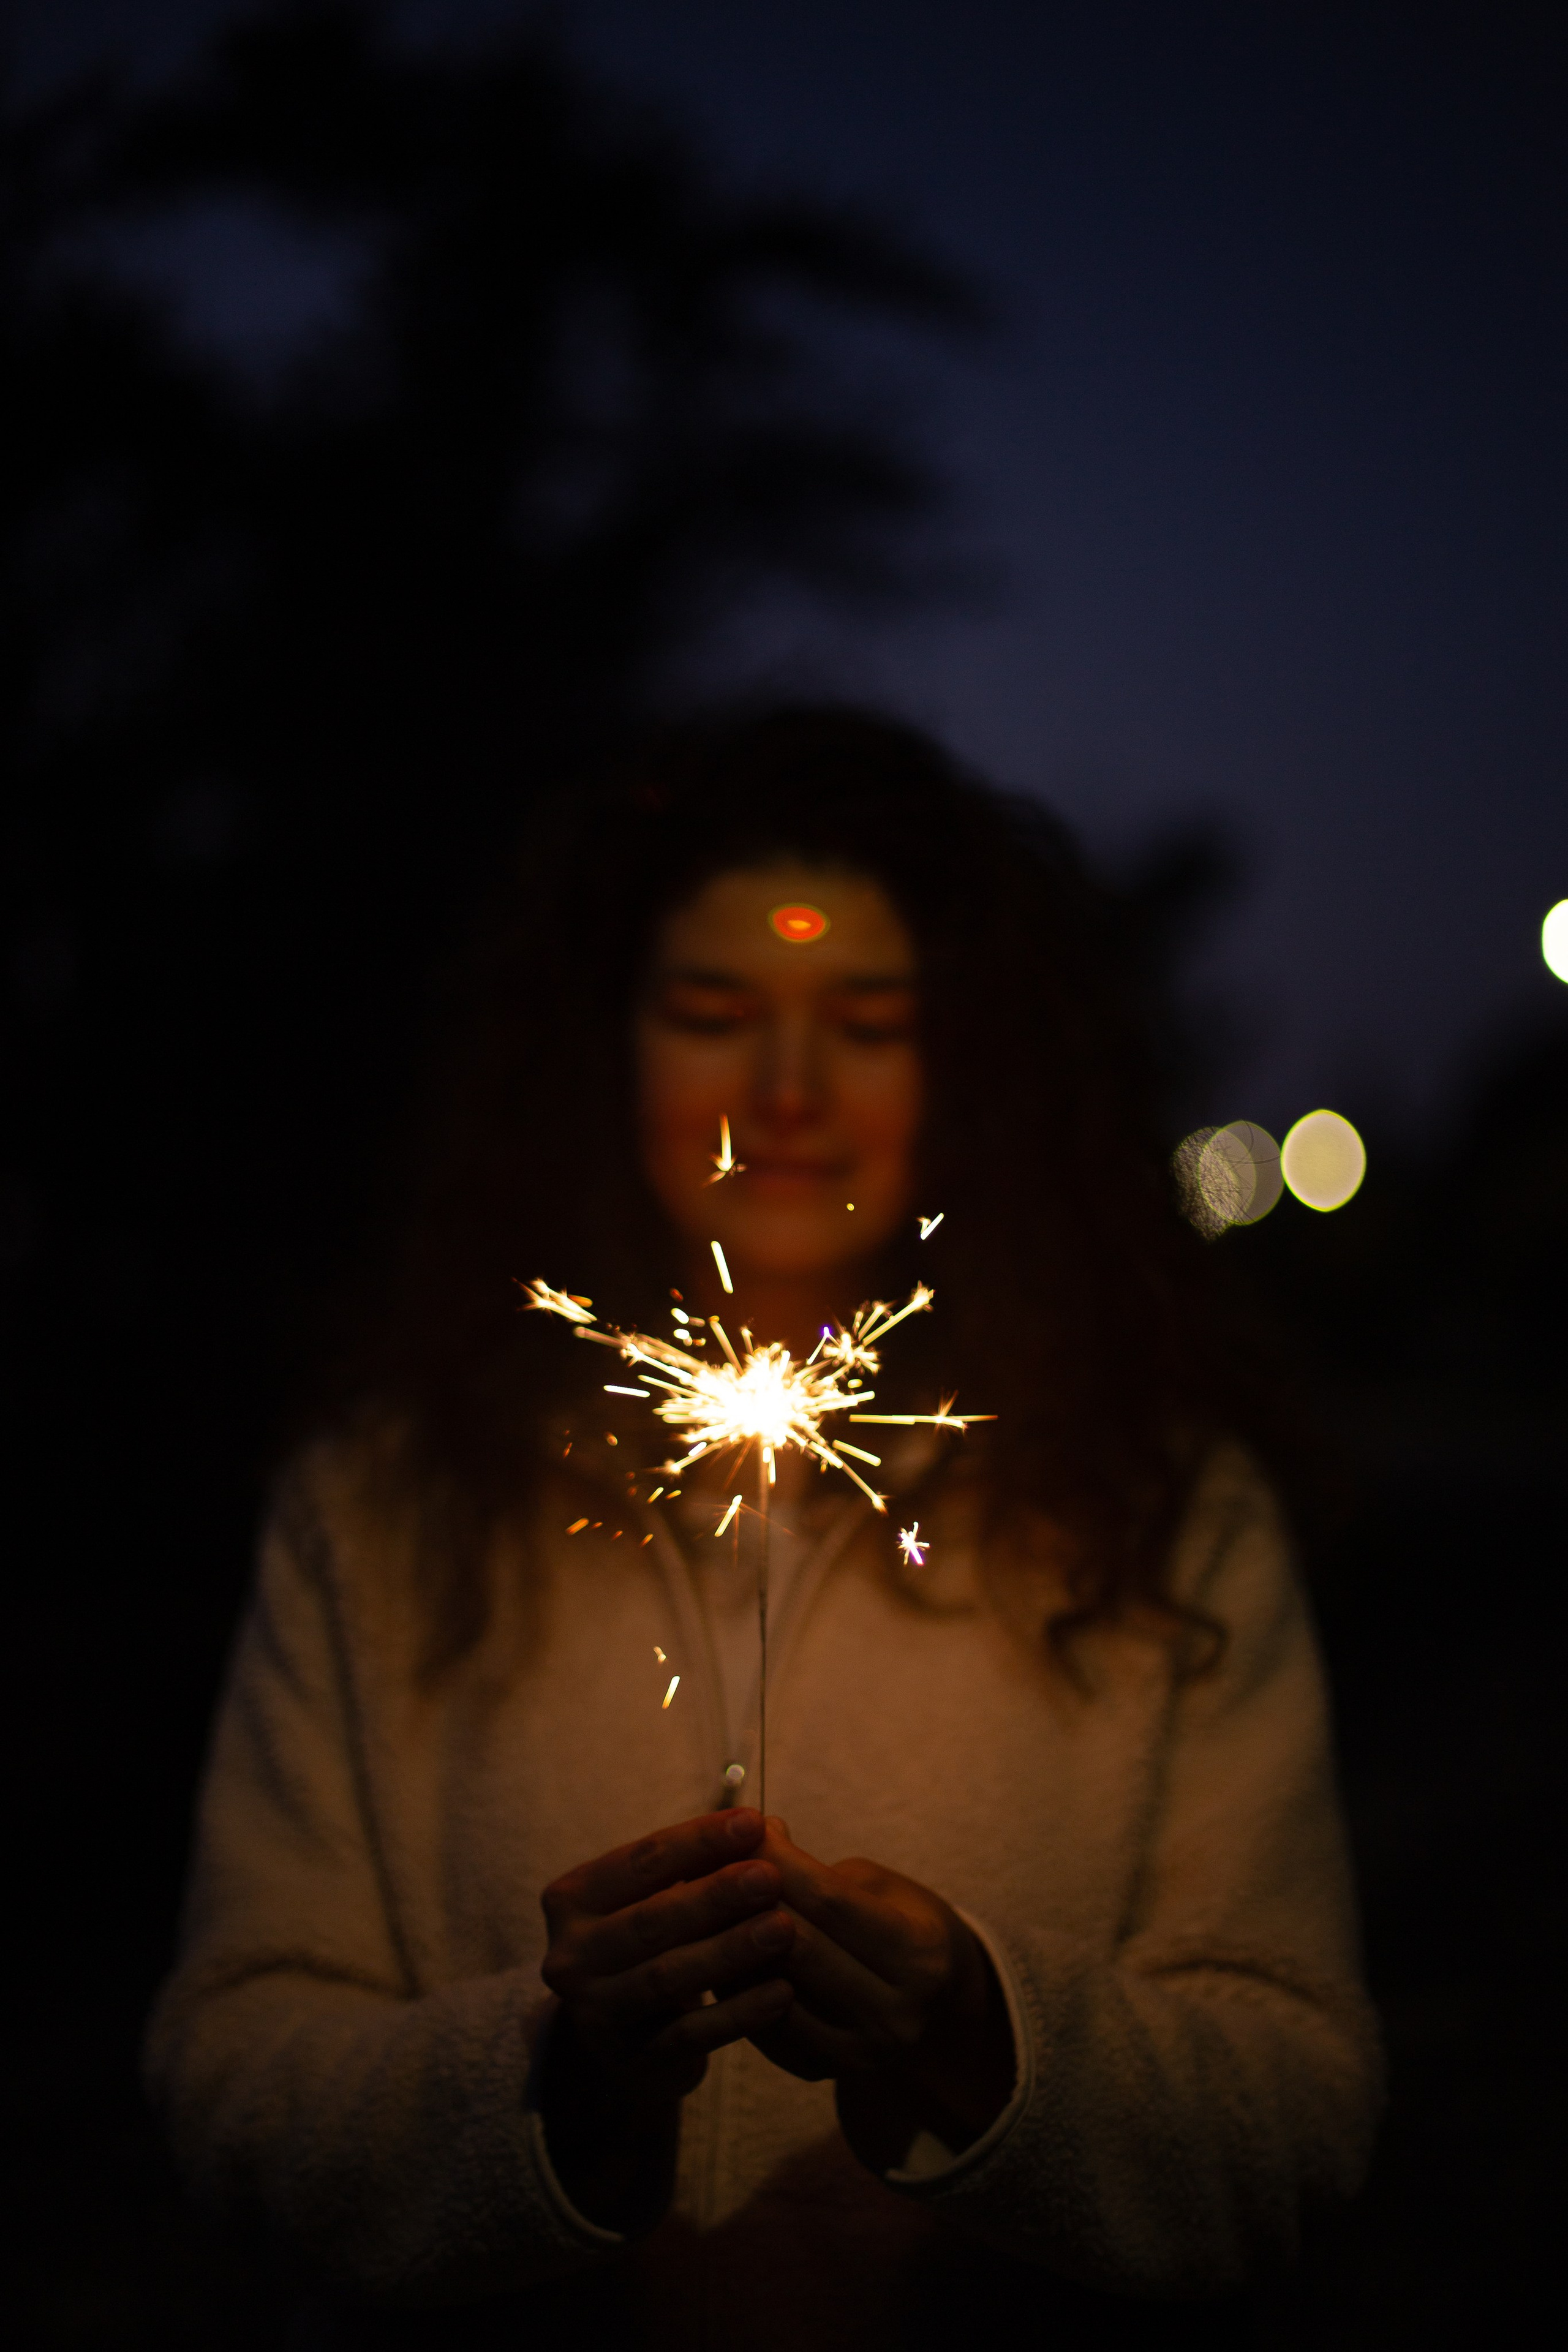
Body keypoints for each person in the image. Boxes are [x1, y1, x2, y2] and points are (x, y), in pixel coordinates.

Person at [145, 708, 1382, 2350]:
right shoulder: (382, 1514)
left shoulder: (1158, 1515)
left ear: (965, 1069)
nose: (788, 1092)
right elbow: (235, 2076)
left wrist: (979, 2037)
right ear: (610, 1049)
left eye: (867, 1023)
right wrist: (550, 2078)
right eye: (717, 1013)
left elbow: (1294, 2124)